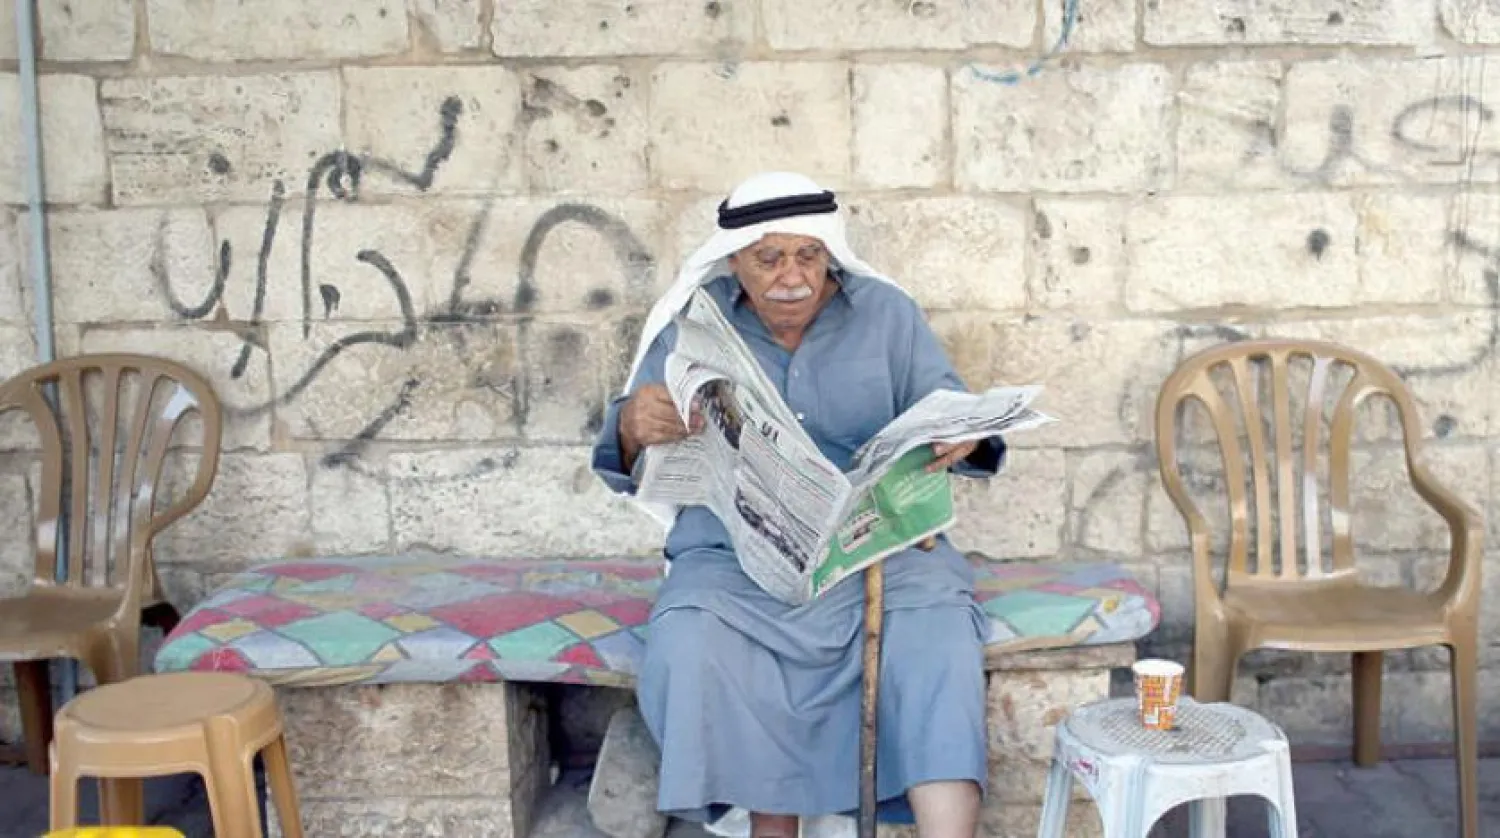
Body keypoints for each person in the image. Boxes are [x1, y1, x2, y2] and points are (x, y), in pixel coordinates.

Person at [590, 172, 1008, 838]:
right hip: (734, 557)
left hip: (879, 552)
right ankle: (771, 829)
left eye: (808, 255)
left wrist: (967, 433)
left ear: (829, 252)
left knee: (938, 640)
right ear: (735, 260)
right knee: (693, 637)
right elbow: (622, 452)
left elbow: (953, 412)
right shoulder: (694, 325)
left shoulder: (887, 315)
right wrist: (632, 425)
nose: (793, 276)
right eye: (770, 258)